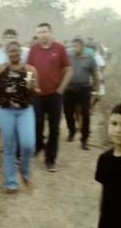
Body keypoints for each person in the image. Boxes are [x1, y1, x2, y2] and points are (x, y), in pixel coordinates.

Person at [0, 41, 40, 193]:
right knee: (9, 147)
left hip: (25, 110)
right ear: (6, 53)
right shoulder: (0, 69)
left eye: (17, 51)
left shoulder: (29, 70)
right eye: (11, 51)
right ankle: (10, 182)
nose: (14, 54)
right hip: (5, 111)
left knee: (28, 144)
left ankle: (24, 171)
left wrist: (33, 87)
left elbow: (33, 92)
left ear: (21, 53)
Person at [27, 23, 72, 172]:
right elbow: (28, 71)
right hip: (37, 95)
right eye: (39, 32)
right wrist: (29, 88)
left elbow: (68, 70)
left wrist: (61, 89)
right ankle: (39, 145)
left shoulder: (59, 48)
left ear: (50, 33)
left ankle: (50, 159)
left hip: (55, 95)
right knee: (37, 124)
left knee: (54, 128)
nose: (42, 35)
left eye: (45, 32)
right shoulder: (33, 50)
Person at [64, 37, 99, 150]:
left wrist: (96, 90)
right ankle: (72, 130)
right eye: (73, 46)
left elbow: (95, 75)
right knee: (68, 111)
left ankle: (84, 139)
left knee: (85, 112)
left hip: (84, 88)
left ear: (83, 46)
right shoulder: (68, 56)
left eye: (77, 46)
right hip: (69, 88)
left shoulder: (89, 58)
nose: (75, 48)